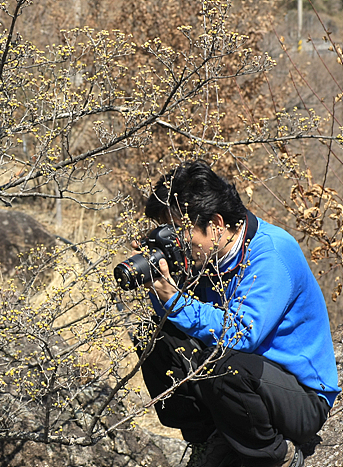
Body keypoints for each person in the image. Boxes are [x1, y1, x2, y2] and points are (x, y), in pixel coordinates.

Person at [136, 160, 340, 467]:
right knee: (153, 336)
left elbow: (239, 335)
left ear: (216, 224)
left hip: (301, 397)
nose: (178, 241)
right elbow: (183, 324)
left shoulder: (271, 253)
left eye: (181, 230)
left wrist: (174, 299)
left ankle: (277, 455)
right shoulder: (207, 257)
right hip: (250, 385)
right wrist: (162, 286)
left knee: (224, 362)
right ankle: (208, 438)